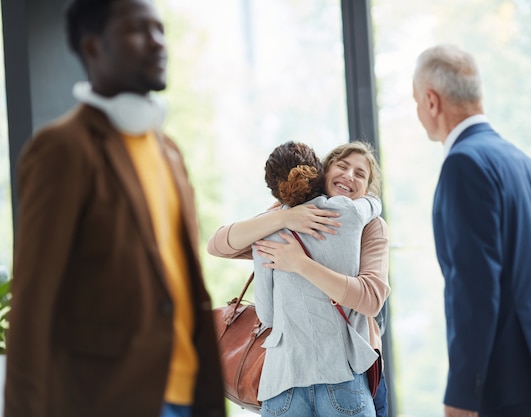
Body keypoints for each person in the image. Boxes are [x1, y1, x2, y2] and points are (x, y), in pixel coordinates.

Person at [4, 1, 226, 417]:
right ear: (93, 47)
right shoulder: (63, 149)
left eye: (160, 29)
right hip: (112, 397)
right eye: (137, 30)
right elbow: (33, 302)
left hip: (190, 392)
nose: (157, 43)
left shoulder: (169, 151)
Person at [411, 43, 531, 417]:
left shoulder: (464, 165)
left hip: (506, 386)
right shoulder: (525, 164)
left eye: (415, 102)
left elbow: (474, 288)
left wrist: (462, 393)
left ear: (431, 101)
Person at [207, 141, 391, 416]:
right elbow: (218, 244)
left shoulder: (369, 226)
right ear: (323, 172)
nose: (349, 176)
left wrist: (300, 263)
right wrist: (285, 218)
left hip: (334, 370)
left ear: (365, 190)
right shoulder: (285, 216)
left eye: (360, 174)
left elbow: (371, 298)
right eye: (342, 166)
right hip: (301, 378)